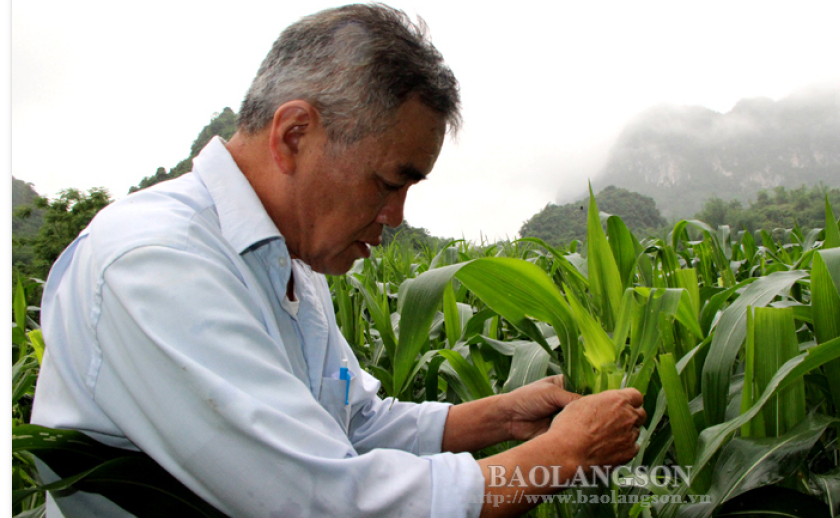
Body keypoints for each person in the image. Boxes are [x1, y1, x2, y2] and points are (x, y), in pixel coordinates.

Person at [31, 4, 647, 517]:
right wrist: (562, 457)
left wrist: (501, 415)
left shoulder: (292, 261)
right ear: (295, 134)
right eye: (387, 182)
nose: (398, 216)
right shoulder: (157, 263)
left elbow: (349, 424)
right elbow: (325, 502)